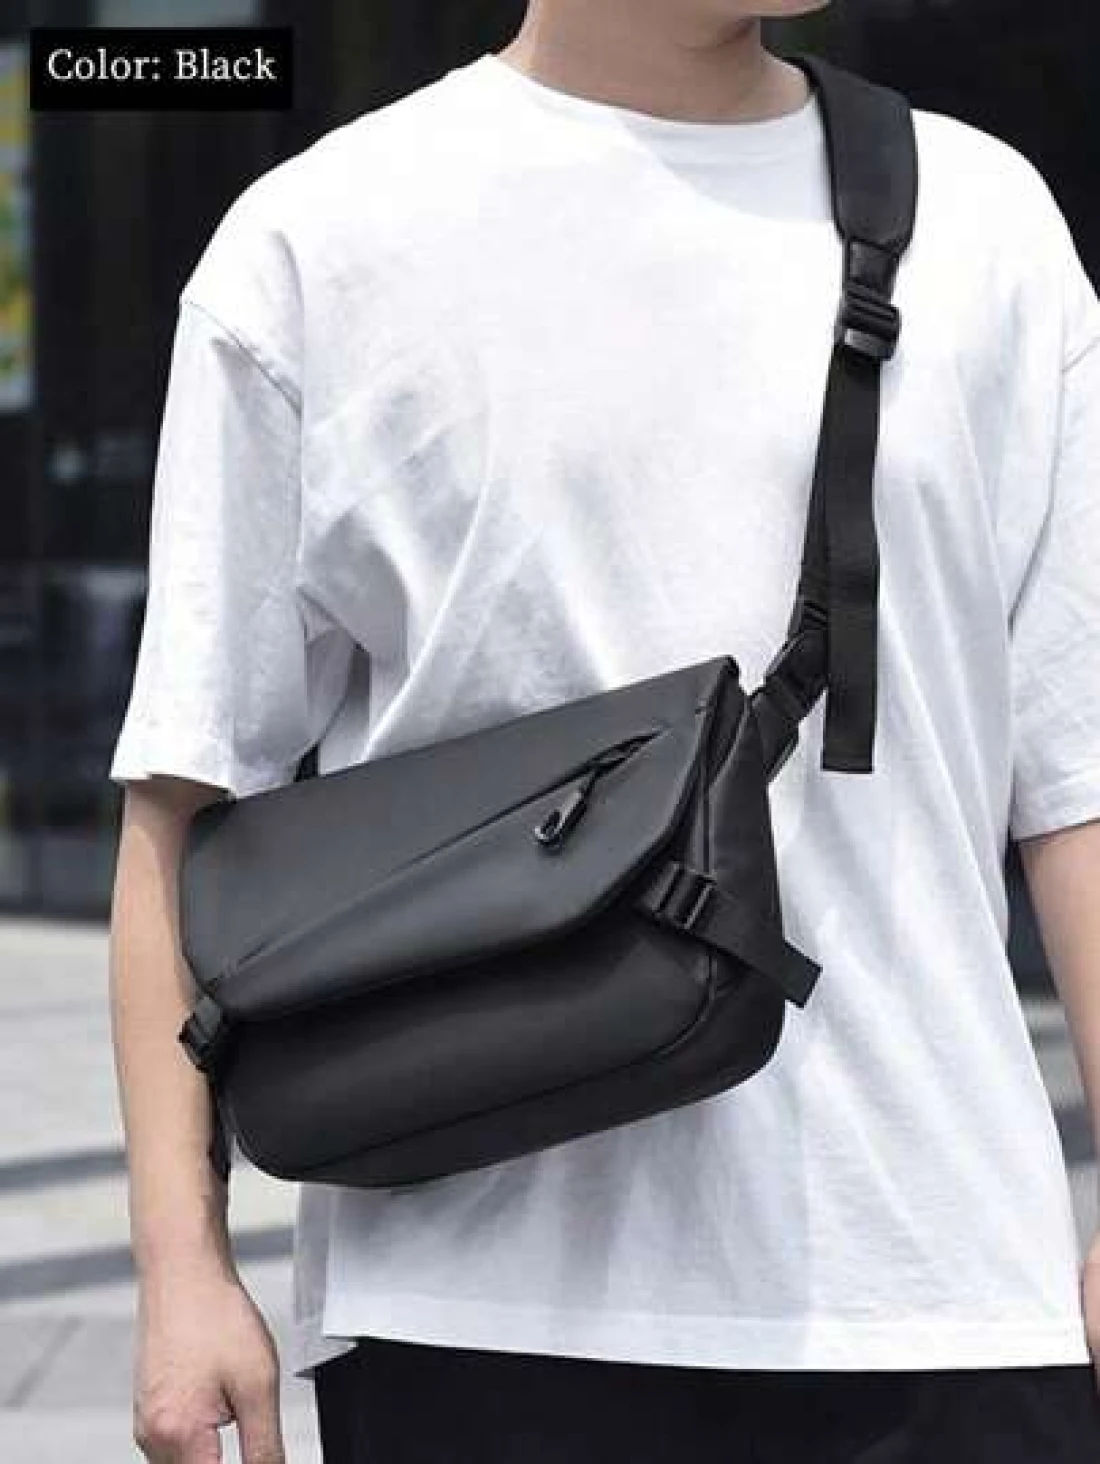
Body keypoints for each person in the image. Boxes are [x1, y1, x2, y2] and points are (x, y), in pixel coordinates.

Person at [107, 1, 1100, 1460]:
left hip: (941, 1290)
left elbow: (1075, 785)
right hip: (478, 1309)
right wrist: (180, 1269)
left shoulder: (987, 222)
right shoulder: (321, 244)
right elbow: (183, 807)